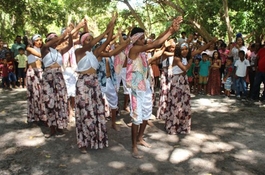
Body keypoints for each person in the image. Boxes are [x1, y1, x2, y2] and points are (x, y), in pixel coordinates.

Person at [125, 16, 183, 159]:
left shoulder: (141, 52)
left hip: (145, 87)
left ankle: (140, 138)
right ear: (135, 39)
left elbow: (157, 41)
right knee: (136, 117)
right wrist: (171, 30)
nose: (143, 40)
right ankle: (134, 146)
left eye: (143, 38)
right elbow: (155, 43)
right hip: (135, 88)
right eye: (141, 38)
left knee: (146, 114)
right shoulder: (134, 49)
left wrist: (170, 28)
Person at [74, 17, 116, 153]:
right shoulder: (78, 51)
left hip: (94, 82)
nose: (90, 41)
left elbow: (108, 41)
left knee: (97, 110)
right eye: (88, 39)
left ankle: (96, 139)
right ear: (83, 41)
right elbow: (92, 43)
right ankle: (83, 143)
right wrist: (106, 30)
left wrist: (111, 27)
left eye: (91, 39)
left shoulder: (96, 53)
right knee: (84, 112)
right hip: (83, 83)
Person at [164, 38, 217, 135]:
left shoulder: (187, 57)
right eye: (182, 49)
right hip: (177, 82)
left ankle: (182, 126)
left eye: (186, 49)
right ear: (179, 50)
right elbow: (184, 68)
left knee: (184, 104)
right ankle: (173, 127)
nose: (184, 51)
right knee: (177, 104)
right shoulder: (177, 58)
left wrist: (210, 42)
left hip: (184, 81)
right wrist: (190, 62)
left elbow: (200, 50)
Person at [41, 28, 73, 138]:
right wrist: (64, 33)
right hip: (48, 76)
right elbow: (58, 40)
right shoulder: (44, 49)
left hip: (59, 75)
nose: (56, 41)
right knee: (49, 101)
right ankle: (52, 128)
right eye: (53, 40)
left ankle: (60, 126)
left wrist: (70, 35)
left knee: (60, 100)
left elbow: (69, 46)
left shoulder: (59, 51)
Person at [25, 34, 47, 125]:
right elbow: (39, 55)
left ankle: (42, 116)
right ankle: (34, 117)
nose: (39, 42)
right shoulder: (29, 49)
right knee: (34, 95)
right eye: (37, 40)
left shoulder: (42, 49)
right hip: (32, 73)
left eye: (40, 40)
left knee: (41, 95)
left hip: (40, 72)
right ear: (33, 41)